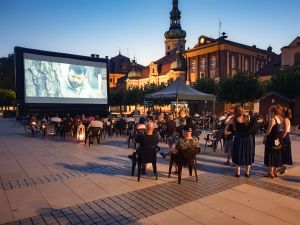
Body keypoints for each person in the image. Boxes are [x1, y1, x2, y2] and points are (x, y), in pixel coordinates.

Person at [232, 105, 254, 177]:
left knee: (238, 154)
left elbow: (234, 128)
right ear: (242, 110)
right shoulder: (247, 117)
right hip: (248, 138)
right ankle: (247, 173)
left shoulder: (235, 119)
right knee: (248, 154)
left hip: (238, 138)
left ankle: (238, 173)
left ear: (235, 111)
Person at [263, 106, 283, 178]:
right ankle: (275, 171)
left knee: (271, 155)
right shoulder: (280, 119)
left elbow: (268, 130)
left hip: (271, 140)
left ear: (273, 112)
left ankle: (270, 173)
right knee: (276, 154)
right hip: (278, 140)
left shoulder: (273, 119)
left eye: (269, 111)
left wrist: (264, 137)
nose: (268, 112)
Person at [279, 108, 293, 174]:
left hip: (285, 138)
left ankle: (283, 167)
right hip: (286, 137)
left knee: (283, 152)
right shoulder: (286, 119)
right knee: (283, 152)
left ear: (284, 113)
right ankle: (282, 167)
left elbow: (285, 130)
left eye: (282, 112)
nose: (281, 113)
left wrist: (281, 138)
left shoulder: (285, 120)